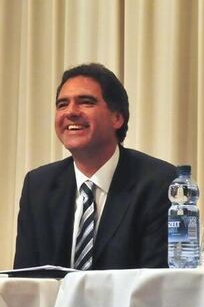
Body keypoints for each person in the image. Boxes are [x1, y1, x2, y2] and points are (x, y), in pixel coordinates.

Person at [14, 63, 176, 270]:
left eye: (85, 102)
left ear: (117, 118)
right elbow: (24, 281)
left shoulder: (158, 182)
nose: (71, 112)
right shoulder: (38, 186)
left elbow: (157, 284)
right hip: (52, 304)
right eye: (62, 104)